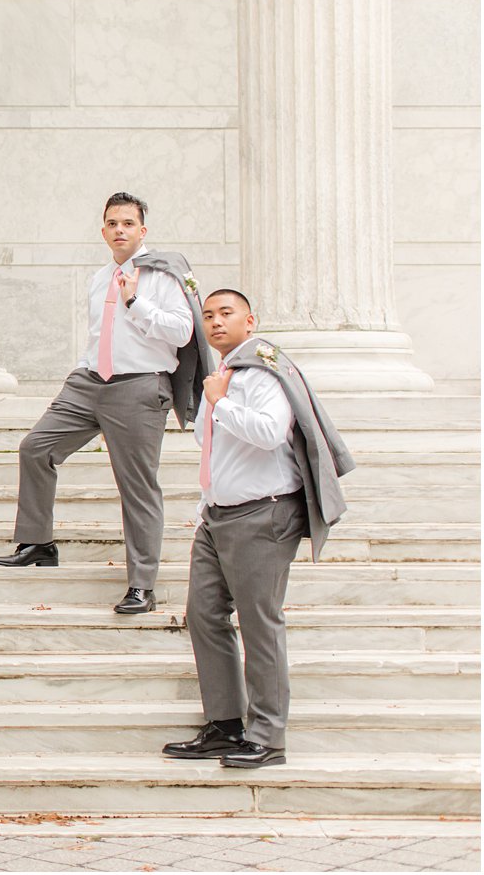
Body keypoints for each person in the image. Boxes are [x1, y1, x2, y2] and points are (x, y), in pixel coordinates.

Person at [0, 192, 210, 614]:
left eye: (128, 223)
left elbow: (182, 332)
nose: (119, 230)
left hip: (138, 387)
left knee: (137, 487)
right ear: (103, 229)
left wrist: (135, 300)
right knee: (35, 447)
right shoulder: (99, 277)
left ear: (142, 230)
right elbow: (100, 334)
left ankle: (141, 585)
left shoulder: (161, 276)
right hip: (90, 382)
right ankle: (38, 542)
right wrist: (83, 368)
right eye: (112, 223)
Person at [163, 289, 353, 768]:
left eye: (226, 314)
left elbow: (269, 432)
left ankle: (268, 736)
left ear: (252, 320)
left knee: (259, 624)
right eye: (208, 316)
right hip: (218, 517)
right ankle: (225, 724)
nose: (216, 323)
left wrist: (221, 403)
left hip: (262, 515)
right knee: (204, 615)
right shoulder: (222, 376)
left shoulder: (261, 373)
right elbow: (217, 448)